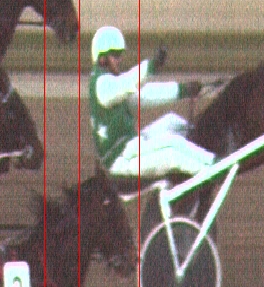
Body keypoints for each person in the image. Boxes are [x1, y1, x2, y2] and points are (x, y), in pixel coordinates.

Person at [88, 26, 215, 180]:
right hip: (121, 161)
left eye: (120, 54)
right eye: (115, 55)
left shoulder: (111, 83)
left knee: (172, 121)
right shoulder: (102, 85)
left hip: (131, 146)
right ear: (102, 59)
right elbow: (127, 83)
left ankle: (206, 148)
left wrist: (183, 90)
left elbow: (145, 95)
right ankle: (213, 167)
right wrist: (152, 66)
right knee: (171, 148)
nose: (119, 60)